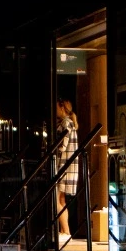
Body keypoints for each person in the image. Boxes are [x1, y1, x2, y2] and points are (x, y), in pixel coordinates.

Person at [55, 98, 79, 240]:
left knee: (57, 199)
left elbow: (61, 147)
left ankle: (66, 231)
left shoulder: (65, 124)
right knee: (61, 199)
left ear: (62, 108)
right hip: (69, 167)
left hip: (64, 166)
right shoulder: (71, 124)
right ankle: (65, 231)